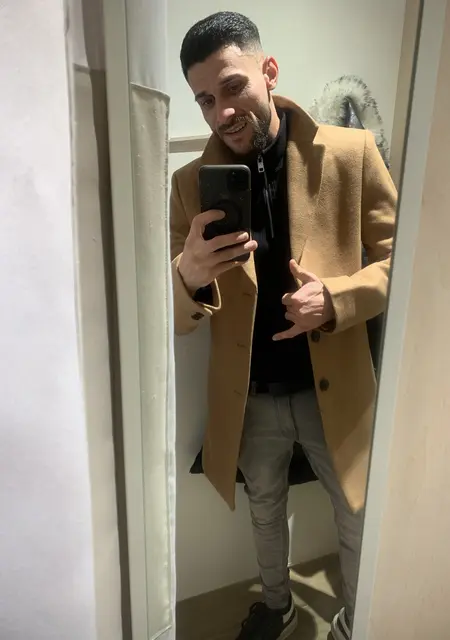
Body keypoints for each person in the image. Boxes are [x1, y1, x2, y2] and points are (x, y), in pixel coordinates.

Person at [170, 11, 396, 640]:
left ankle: (356, 621)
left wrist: (338, 299)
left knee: (357, 512)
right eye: (205, 100)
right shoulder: (188, 186)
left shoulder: (351, 153)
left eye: (233, 86)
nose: (221, 113)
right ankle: (278, 607)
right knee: (264, 511)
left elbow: (403, 261)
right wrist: (187, 275)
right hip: (250, 395)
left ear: (268, 71)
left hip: (337, 389)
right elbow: (178, 317)